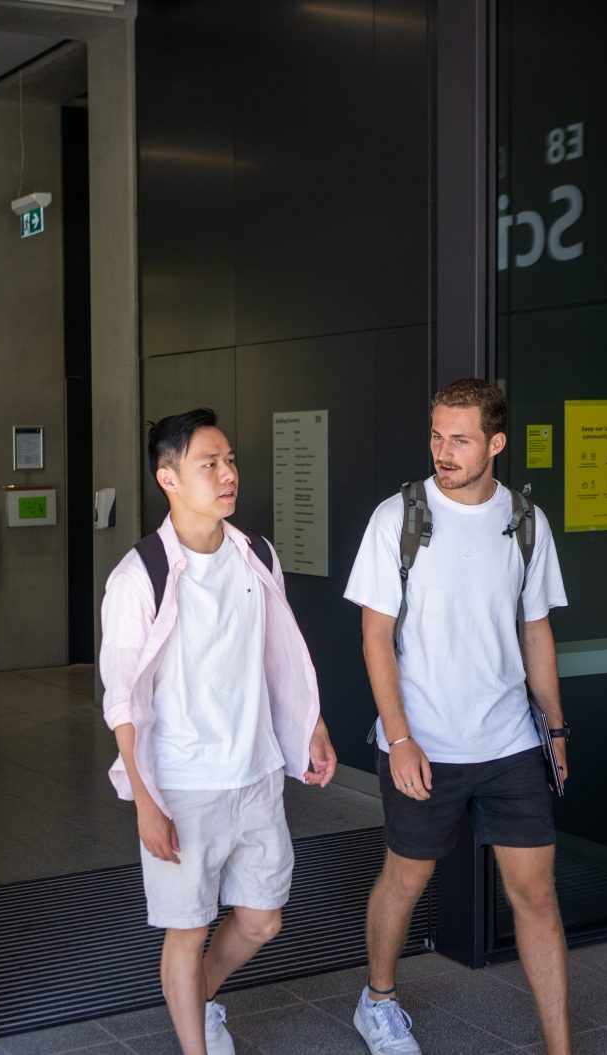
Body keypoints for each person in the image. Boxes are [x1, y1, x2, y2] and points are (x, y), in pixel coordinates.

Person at [343, 378, 571, 1055]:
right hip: (425, 741)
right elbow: (374, 636)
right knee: (407, 876)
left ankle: (560, 1047)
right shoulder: (397, 519)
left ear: (496, 442)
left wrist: (555, 726)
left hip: (508, 740)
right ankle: (377, 999)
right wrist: (403, 736)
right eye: (437, 435)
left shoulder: (524, 521)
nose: (443, 450)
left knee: (535, 893)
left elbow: (535, 631)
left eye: (461, 438)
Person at [100, 408, 338, 1055]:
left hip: (256, 772)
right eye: (210, 463)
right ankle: (195, 1037)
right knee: (188, 928)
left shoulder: (255, 554)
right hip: (182, 782)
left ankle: (196, 994)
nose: (228, 473)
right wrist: (145, 800)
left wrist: (310, 725)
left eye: (230, 460)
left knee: (263, 918)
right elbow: (121, 699)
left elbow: (279, 657)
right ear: (168, 476)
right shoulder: (138, 576)